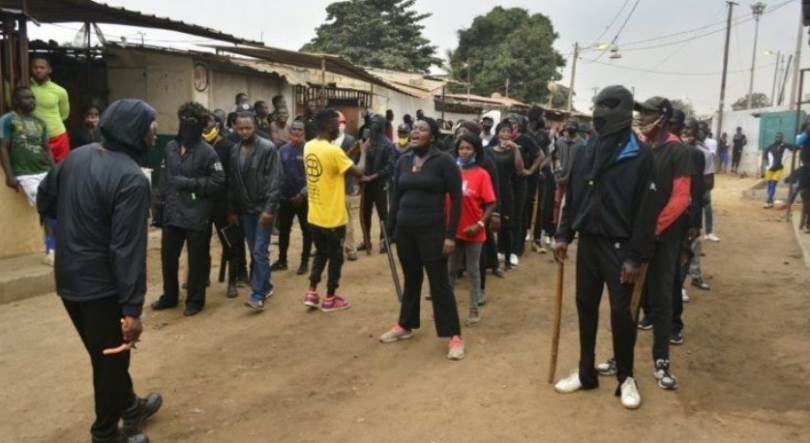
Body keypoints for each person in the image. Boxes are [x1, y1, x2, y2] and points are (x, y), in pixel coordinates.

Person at [36, 99, 162, 443]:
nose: (154, 134)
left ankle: (131, 407)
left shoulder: (76, 157)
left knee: (105, 354)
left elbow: (44, 200)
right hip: (102, 288)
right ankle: (105, 434)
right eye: (151, 127)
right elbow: (127, 250)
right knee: (109, 361)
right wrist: (132, 310)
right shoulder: (132, 179)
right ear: (134, 131)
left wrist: (75, 228)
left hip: (68, 279)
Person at [552, 85, 658, 410]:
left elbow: (647, 210)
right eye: (598, 104)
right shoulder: (587, 150)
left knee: (620, 313)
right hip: (588, 244)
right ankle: (586, 372)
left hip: (620, 248)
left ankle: (626, 377)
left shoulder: (640, 155)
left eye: (608, 105)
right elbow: (573, 197)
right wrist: (563, 234)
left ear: (624, 110)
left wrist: (635, 256)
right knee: (585, 306)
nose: (600, 111)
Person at [381, 117, 465, 360]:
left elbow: (457, 200)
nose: (415, 132)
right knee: (411, 278)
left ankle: (454, 336)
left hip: (432, 232)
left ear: (433, 136)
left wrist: (450, 235)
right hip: (405, 231)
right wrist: (389, 229)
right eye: (414, 128)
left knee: (439, 283)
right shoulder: (404, 160)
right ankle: (405, 325)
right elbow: (396, 197)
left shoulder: (444, 161)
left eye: (422, 129)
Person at [628, 96, 693, 390]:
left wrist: (653, 229)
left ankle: (661, 361)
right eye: (641, 113)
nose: (642, 118)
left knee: (662, 297)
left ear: (662, 118)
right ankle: (621, 356)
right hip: (636, 234)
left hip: (664, 237)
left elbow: (680, 199)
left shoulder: (678, 151)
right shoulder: (639, 147)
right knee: (628, 296)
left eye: (648, 113)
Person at [151, 102, 225, 317]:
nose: (186, 126)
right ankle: (169, 296)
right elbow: (164, 179)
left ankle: (195, 299)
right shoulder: (170, 148)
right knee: (168, 257)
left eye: (191, 123)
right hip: (172, 212)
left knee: (196, 260)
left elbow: (218, 180)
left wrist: (192, 184)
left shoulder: (208, 152)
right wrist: (159, 209)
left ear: (200, 125)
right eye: (183, 121)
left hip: (196, 212)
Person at [303, 109, 368, 312]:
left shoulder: (309, 146)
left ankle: (312, 291)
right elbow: (359, 172)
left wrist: (352, 151)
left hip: (315, 215)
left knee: (320, 253)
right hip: (333, 218)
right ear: (328, 126)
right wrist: (364, 152)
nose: (339, 128)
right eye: (336, 124)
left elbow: (334, 166)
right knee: (336, 258)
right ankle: (330, 297)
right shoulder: (333, 151)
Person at [228, 111, 283, 310]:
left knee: (259, 251)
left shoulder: (267, 148)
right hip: (246, 209)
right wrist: (233, 210)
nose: (244, 132)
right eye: (240, 128)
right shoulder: (234, 150)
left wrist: (269, 210)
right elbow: (233, 182)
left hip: (263, 208)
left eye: (248, 128)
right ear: (235, 128)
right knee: (255, 250)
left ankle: (257, 295)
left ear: (255, 127)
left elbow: (276, 181)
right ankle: (266, 286)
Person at [0, 86, 56, 265]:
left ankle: (57, 248)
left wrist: (55, 170)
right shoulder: (8, 120)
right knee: (46, 207)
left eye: (33, 97)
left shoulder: (40, 123)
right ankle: (51, 251)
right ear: (16, 101)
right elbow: (3, 147)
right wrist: (9, 175)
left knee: (57, 207)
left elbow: (46, 148)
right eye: (26, 98)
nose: (31, 100)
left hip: (45, 171)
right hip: (26, 174)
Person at [447, 133, 496, 326]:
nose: (464, 152)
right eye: (461, 148)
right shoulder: (451, 171)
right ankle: (446, 308)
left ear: (476, 151)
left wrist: (479, 224)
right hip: (453, 230)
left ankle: (474, 309)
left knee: (473, 270)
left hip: (474, 231)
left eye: (468, 148)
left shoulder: (482, 174)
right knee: (450, 269)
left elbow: (491, 203)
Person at [204, 112, 246, 298]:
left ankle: (232, 282)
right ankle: (203, 277)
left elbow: (233, 181)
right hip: (204, 204)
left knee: (230, 243)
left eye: (210, 122)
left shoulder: (229, 147)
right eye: (203, 123)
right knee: (201, 244)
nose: (206, 126)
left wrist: (232, 208)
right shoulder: (199, 146)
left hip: (223, 204)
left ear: (218, 125)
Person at [273, 120, 312, 275]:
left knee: (307, 230)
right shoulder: (283, 150)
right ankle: (282, 260)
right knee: (283, 231)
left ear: (304, 132)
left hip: (304, 199)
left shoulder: (310, 150)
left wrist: (303, 194)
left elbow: (314, 177)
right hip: (285, 198)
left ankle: (305, 261)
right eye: (293, 129)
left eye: (299, 129)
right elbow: (277, 173)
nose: (296, 131)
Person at [488, 121, 525, 271]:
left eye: (508, 132)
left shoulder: (513, 151)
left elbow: (520, 168)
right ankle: (490, 261)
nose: (505, 134)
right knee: (488, 227)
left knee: (506, 228)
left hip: (507, 193)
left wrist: (515, 149)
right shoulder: (489, 151)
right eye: (503, 131)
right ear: (497, 133)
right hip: (490, 192)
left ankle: (508, 260)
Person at [357, 112, 393, 254]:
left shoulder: (388, 145)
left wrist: (372, 177)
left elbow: (390, 167)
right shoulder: (366, 142)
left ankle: (384, 241)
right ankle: (366, 240)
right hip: (366, 184)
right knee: (365, 213)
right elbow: (360, 160)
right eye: (372, 124)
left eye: (376, 124)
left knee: (383, 213)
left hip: (380, 183)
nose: (373, 126)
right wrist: (360, 177)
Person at [30, 56, 71, 162]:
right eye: (35, 67)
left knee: (62, 167)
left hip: (58, 136)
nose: (38, 70)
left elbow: (64, 114)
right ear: (31, 69)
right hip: (34, 138)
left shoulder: (60, 91)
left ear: (49, 70)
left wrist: (50, 125)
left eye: (42, 67)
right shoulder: (25, 87)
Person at [334, 111, 359, 261]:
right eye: (338, 123)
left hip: (345, 185)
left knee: (347, 218)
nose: (340, 126)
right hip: (331, 187)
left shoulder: (350, 140)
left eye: (342, 123)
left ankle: (351, 247)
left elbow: (350, 164)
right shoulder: (327, 141)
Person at [697, 122, 720, 242]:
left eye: (702, 130)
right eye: (698, 129)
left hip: (705, 176)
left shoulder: (711, 143)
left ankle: (709, 232)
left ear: (706, 132)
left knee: (707, 205)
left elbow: (711, 155)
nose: (700, 132)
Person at [763, 132, 790, 208]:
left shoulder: (785, 147)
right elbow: (765, 158)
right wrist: (766, 167)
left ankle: (769, 199)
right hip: (769, 169)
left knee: (773, 184)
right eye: (777, 137)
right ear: (775, 138)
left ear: (782, 138)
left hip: (779, 168)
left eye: (780, 137)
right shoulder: (770, 147)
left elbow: (796, 147)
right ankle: (770, 199)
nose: (778, 138)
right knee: (769, 184)